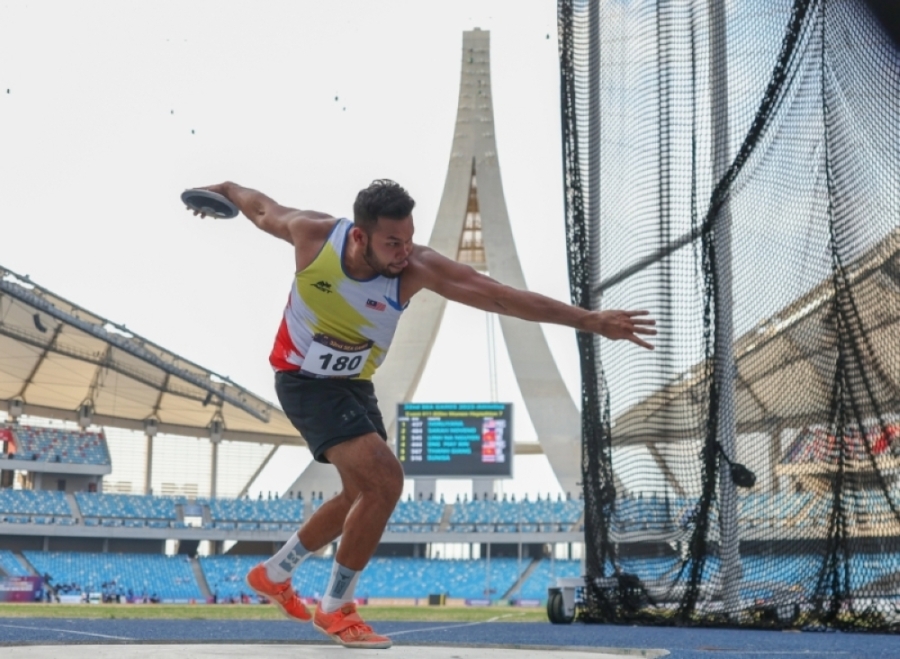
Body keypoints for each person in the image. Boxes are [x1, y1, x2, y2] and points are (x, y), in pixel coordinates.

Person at [187, 179, 656, 649]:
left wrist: (590, 320)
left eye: (409, 239)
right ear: (358, 236)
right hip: (303, 380)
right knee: (386, 481)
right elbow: (262, 208)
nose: (403, 253)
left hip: (353, 384)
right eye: (392, 242)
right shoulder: (313, 235)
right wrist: (225, 190)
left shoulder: (415, 267)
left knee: (358, 492)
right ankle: (334, 609)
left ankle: (274, 573)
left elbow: (500, 296)